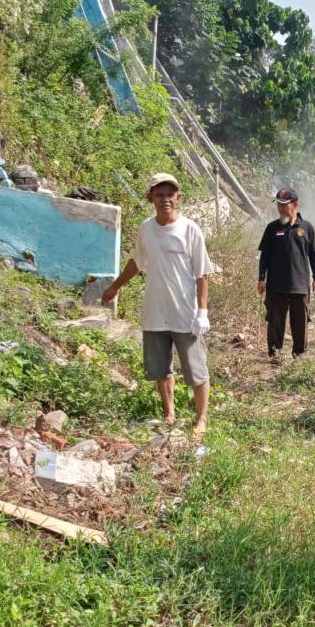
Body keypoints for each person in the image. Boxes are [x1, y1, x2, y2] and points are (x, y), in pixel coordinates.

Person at [102, 173, 214, 434]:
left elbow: (202, 273)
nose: (165, 199)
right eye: (160, 194)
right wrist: (115, 286)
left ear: (178, 198)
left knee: (196, 369)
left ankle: (201, 419)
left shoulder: (190, 230)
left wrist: (202, 312)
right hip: (155, 312)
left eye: (170, 194)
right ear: (150, 198)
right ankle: (170, 413)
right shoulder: (146, 228)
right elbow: (137, 262)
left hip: (185, 314)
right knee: (160, 368)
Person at [257, 188, 315, 360]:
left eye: (285, 205)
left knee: (300, 323)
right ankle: (275, 355)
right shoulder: (272, 228)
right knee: (275, 322)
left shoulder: (306, 227)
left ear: (295, 204)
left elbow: (313, 254)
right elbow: (265, 255)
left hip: (300, 286)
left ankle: (299, 354)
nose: (281, 208)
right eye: (279, 204)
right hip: (276, 286)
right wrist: (261, 278)